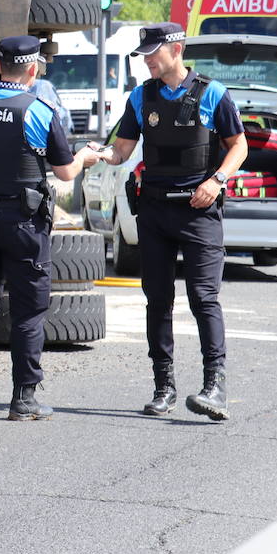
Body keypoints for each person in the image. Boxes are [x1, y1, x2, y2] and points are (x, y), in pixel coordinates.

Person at [0, 35, 101, 421]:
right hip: (23, 223)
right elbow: (63, 172)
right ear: (31, 69)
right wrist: (85, 157)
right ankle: (23, 398)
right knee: (28, 309)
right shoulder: (39, 110)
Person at [99, 23, 247, 422]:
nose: (147, 60)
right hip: (155, 210)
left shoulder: (212, 93)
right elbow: (123, 149)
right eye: (144, 54)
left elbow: (239, 145)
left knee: (203, 298)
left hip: (199, 210)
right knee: (158, 300)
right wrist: (96, 153)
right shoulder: (141, 96)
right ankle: (163, 386)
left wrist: (216, 181)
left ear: (176, 50)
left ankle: (215, 386)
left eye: (152, 53)